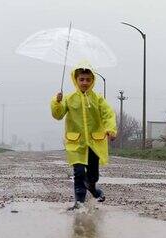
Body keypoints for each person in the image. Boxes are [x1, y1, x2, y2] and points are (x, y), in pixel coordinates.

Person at [50, 62, 117, 210]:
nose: (85, 82)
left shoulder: (97, 99)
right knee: (79, 173)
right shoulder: (69, 98)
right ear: (76, 80)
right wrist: (57, 102)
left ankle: (93, 189)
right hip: (76, 143)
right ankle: (79, 202)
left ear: (92, 80)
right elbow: (58, 115)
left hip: (94, 142)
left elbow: (108, 114)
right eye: (82, 79)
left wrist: (110, 129)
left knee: (93, 175)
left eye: (88, 79)